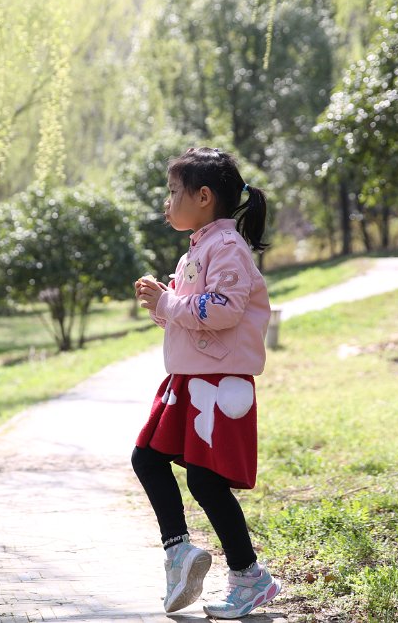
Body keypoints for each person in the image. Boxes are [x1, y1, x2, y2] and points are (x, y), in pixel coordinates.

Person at [132, 147, 281, 618]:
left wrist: (169, 303)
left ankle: (250, 577)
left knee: (206, 480)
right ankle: (179, 552)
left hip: (218, 383)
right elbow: (191, 314)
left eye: (173, 191)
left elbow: (223, 310)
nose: (167, 201)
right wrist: (162, 302)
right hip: (190, 379)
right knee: (148, 459)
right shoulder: (199, 248)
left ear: (203, 196)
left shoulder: (228, 248)